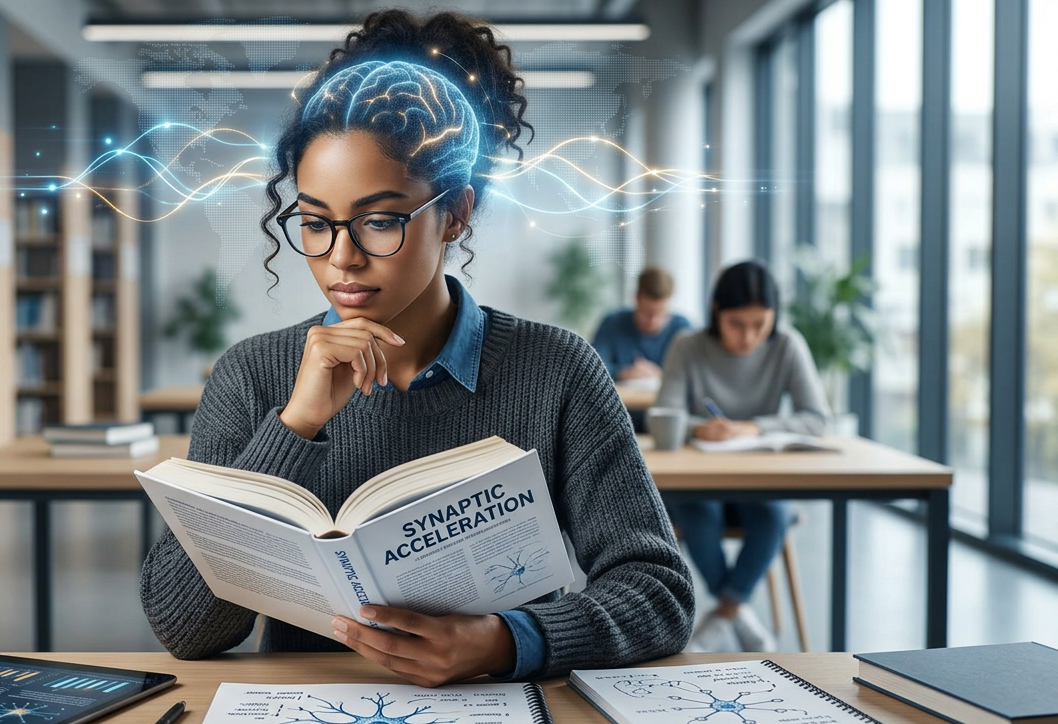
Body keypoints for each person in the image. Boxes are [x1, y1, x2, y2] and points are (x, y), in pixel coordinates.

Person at [140, 10, 694, 687]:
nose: (341, 258)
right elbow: (184, 629)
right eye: (315, 223)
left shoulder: (556, 371)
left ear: (454, 212)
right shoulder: (253, 375)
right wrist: (295, 426)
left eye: (378, 220)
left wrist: (506, 641)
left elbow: (660, 593)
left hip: (501, 720)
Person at [655, 261, 830, 652]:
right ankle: (737, 610)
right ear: (717, 310)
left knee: (774, 515)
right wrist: (698, 428)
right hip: (700, 480)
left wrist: (753, 427)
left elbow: (817, 419)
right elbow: (663, 414)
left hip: (758, 479)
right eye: (737, 324)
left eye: (760, 324)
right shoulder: (688, 345)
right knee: (698, 513)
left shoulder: (787, 345)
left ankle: (726, 612)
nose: (749, 337)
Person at [591, 266, 691, 383]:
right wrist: (623, 373)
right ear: (636, 299)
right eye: (647, 312)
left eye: (660, 312)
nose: (653, 320)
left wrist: (660, 374)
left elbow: (693, 371)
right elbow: (594, 367)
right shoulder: (613, 323)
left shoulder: (682, 329)